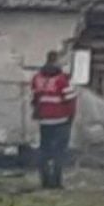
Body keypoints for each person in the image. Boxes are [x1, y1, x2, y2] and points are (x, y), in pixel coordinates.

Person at [31, 50, 78, 189]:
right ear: (56, 61)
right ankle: (56, 181)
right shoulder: (62, 80)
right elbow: (70, 100)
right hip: (61, 120)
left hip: (44, 120)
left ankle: (45, 180)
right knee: (59, 152)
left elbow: (35, 99)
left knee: (44, 151)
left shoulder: (37, 78)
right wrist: (71, 116)